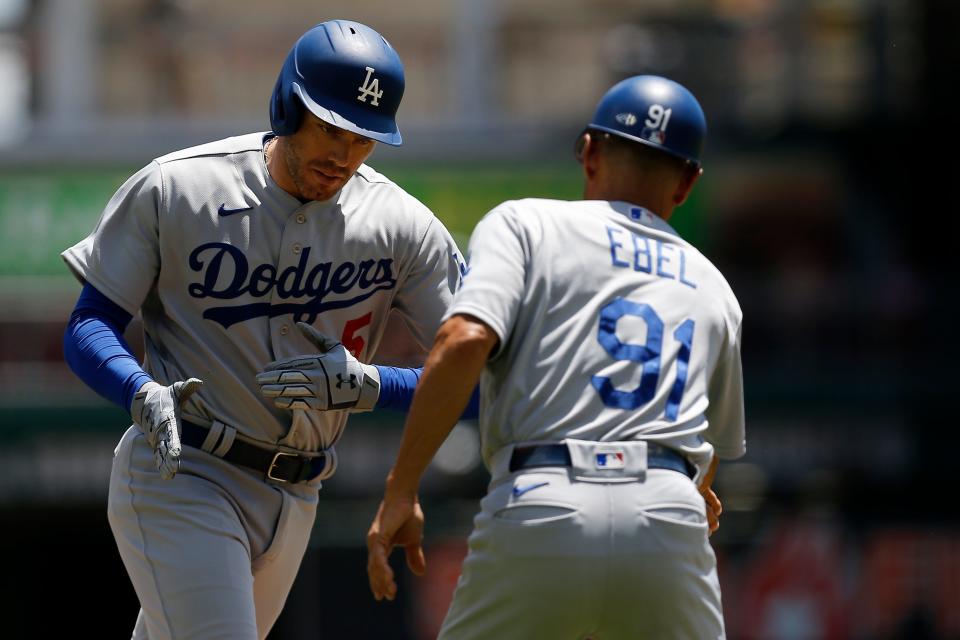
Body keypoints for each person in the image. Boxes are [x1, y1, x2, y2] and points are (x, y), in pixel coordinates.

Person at [61, 20, 464, 639]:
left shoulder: (402, 226)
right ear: (286, 105)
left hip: (299, 492)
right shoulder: (179, 187)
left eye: (363, 138)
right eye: (330, 127)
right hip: (184, 472)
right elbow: (90, 324)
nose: (344, 155)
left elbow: (482, 377)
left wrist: (376, 386)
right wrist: (137, 390)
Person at [365, 75, 746, 639]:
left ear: (589, 152)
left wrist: (402, 487)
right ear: (687, 181)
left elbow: (465, 341)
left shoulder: (527, 224)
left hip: (544, 501)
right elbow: (710, 452)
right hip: (667, 516)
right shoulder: (715, 286)